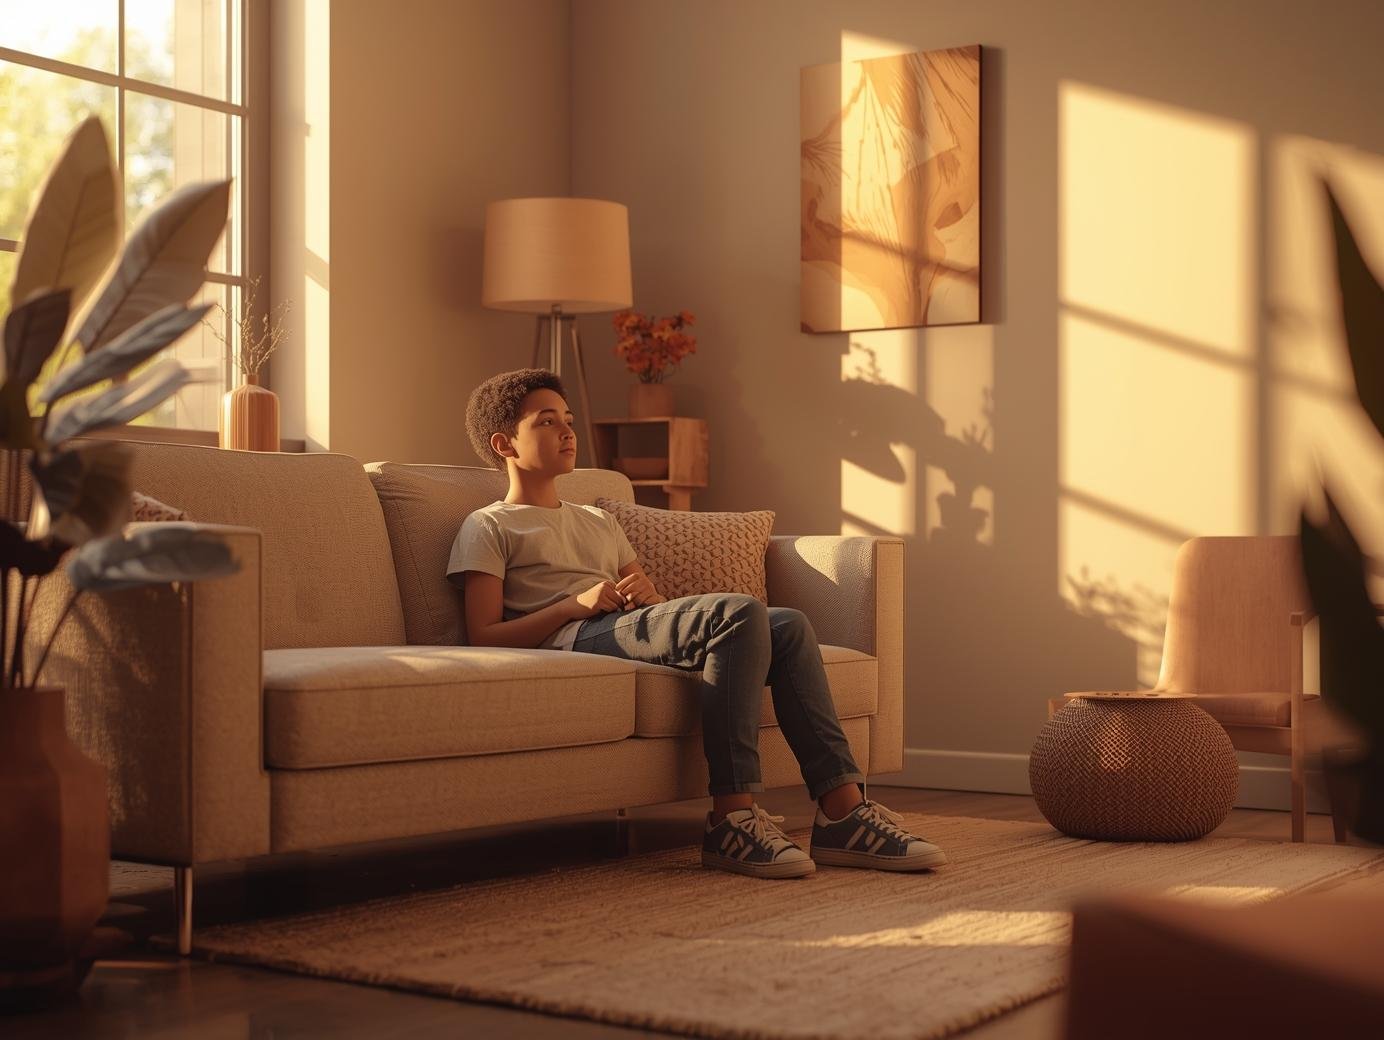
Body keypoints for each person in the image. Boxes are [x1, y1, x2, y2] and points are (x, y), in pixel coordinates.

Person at [448, 368, 947, 879]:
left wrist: (650, 595)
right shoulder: (489, 525)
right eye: (548, 422)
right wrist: (573, 605)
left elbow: (655, 606)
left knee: (789, 626)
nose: (568, 431)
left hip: (626, 626)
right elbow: (483, 634)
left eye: (569, 419)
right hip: (573, 636)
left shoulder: (598, 520)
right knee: (740, 611)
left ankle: (842, 810)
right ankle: (731, 818)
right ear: (504, 443)